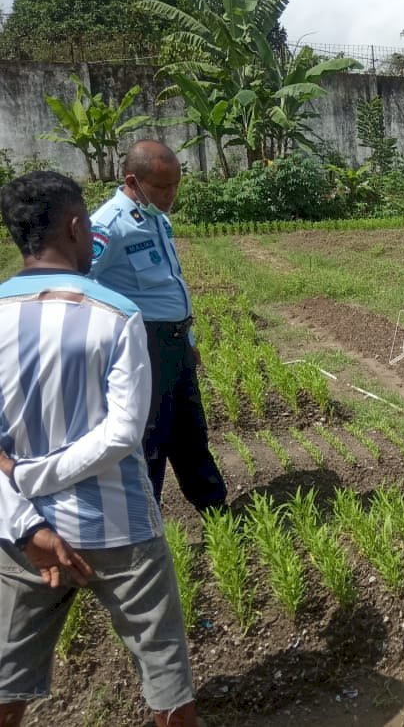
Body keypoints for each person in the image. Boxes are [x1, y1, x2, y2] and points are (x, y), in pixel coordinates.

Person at [0, 172, 197, 726]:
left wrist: (26, 515)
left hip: (24, 535)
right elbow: (121, 434)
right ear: (77, 226)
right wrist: (37, 476)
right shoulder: (115, 312)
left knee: (7, 681)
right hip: (120, 526)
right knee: (166, 678)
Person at [89, 140, 227, 515]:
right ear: (132, 181)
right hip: (143, 345)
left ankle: (213, 506)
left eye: (176, 185)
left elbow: (171, 284)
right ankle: (142, 519)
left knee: (191, 431)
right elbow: (79, 284)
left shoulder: (156, 219)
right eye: (163, 187)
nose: (171, 195)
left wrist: (190, 340)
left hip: (175, 342)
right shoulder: (107, 225)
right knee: (150, 438)